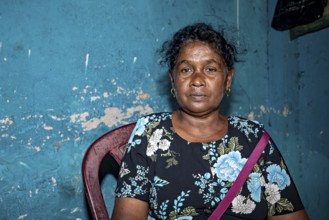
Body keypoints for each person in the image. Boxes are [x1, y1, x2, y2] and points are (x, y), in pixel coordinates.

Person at [112, 23, 309, 220]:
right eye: (186, 69)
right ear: (173, 80)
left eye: (210, 69)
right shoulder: (149, 134)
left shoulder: (254, 138)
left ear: (228, 79)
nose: (198, 80)